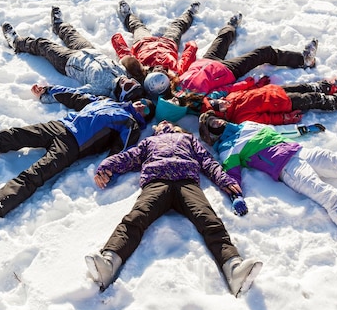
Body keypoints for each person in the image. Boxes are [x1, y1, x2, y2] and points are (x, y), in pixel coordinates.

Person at [198, 111, 337, 259]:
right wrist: (236, 196)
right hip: (287, 168)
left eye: (213, 118)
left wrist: (304, 130)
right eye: (210, 124)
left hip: (301, 151)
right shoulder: (227, 147)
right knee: (330, 196)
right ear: (211, 134)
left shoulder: (247, 125)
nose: (215, 121)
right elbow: (231, 175)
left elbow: (278, 131)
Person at [85, 120, 263, 297]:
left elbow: (207, 161)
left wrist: (223, 180)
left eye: (167, 122)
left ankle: (233, 267)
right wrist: (107, 165)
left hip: (187, 183)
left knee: (208, 218)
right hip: (156, 182)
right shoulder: (149, 142)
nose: (164, 124)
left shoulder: (188, 139)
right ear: (156, 130)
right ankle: (109, 262)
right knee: (136, 217)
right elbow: (129, 157)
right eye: (161, 124)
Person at [0, 87, 156, 226]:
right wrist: (48, 90)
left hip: (73, 146)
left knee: (36, 174)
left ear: (146, 117)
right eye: (142, 102)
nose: (141, 106)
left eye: (146, 109)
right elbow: (76, 96)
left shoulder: (131, 125)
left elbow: (120, 150)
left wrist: (108, 169)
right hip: (58, 126)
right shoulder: (105, 101)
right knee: (11, 136)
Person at [115, 0, 319, 98]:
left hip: (203, 59)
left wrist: (191, 49)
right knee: (263, 53)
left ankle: (229, 25)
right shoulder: (184, 89)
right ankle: (303, 59)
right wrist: (248, 83)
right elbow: (223, 91)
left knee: (220, 37)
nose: (162, 70)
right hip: (226, 70)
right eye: (163, 75)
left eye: (161, 72)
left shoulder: (173, 74)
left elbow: (185, 61)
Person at [1, 6, 145, 102]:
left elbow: (73, 94)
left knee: (43, 45)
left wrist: (46, 95)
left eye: (127, 87)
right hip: (89, 50)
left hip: (68, 62)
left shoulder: (101, 90)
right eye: (132, 82)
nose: (127, 81)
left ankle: (16, 43)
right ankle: (58, 24)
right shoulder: (124, 74)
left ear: (120, 93)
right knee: (71, 33)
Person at [154, 73, 337, 124]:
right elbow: (266, 119)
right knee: (311, 98)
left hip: (273, 90)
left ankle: (328, 86)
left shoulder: (224, 99)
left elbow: (240, 92)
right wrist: (285, 119)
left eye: (220, 101)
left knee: (304, 86)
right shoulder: (241, 116)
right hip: (282, 103)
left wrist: (257, 85)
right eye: (222, 106)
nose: (224, 102)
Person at [111, 1, 200, 89]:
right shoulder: (175, 72)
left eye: (157, 71)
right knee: (177, 27)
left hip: (144, 42)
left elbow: (126, 56)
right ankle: (189, 13)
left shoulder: (139, 69)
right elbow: (186, 59)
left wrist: (117, 41)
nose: (160, 69)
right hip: (168, 44)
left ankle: (128, 15)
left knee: (137, 26)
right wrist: (192, 46)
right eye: (163, 72)